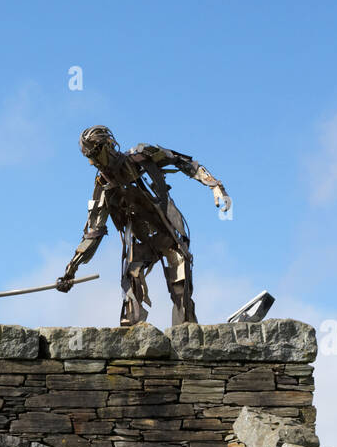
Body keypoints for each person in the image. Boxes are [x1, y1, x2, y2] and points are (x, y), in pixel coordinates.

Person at [57, 125, 231, 327]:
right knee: (131, 290)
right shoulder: (103, 186)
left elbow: (184, 162)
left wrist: (216, 186)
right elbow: (94, 232)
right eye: (89, 156)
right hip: (141, 243)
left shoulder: (140, 157)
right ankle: (133, 342)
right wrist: (71, 269)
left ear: (108, 145)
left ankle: (186, 335)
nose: (93, 161)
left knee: (181, 291)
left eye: (95, 153)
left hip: (169, 235)